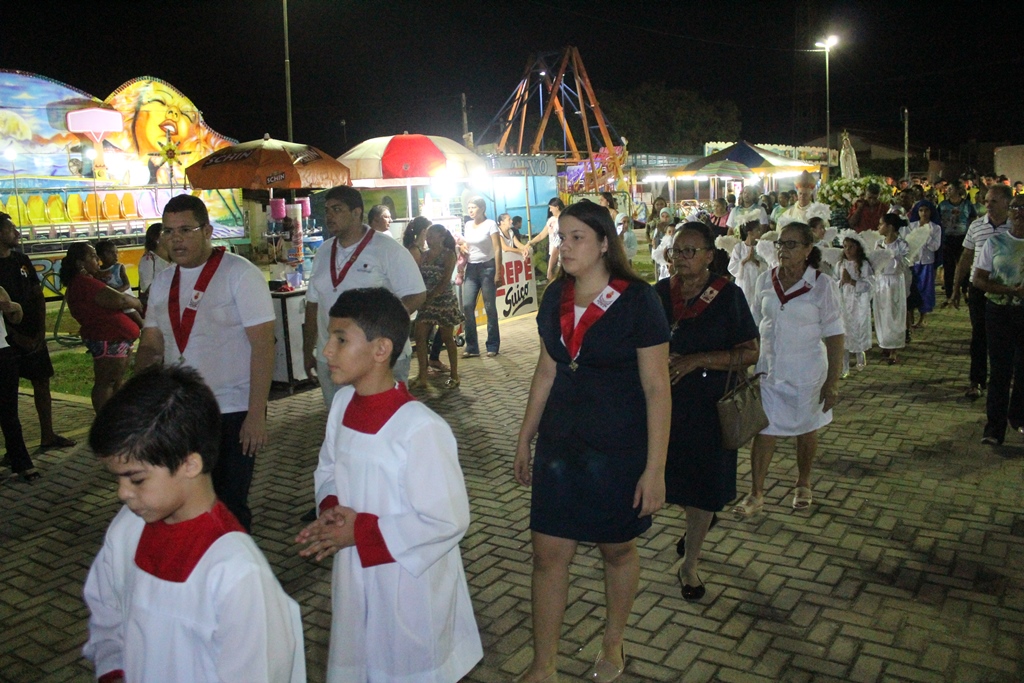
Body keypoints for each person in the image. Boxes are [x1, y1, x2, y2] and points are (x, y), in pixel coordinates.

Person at [513, 200, 670, 683]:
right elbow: (546, 371)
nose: (563, 246)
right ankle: (544, 665)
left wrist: (655, 469)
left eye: (576, 237)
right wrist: (525, 437)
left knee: (615, 549)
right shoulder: (554, 298)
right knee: (547, 554)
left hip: (617, 449)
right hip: (560, 447)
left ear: (604, 243)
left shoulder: (639, 300)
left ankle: (613, 640)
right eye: (561, 237)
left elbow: (657, 388)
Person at [297, 287, 482, 683]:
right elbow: (328, 468)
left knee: (403, 664)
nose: (326, 350)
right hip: (355, 569)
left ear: (381, 349)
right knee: (361, 654)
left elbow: (447, 519)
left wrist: (360, 532)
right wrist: (330, 509)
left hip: (408, 583)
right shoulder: (342, 406)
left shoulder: (420, 428)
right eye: (329, 337)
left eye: (340, 339)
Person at [83, 366, 305, 683]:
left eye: (136, 479)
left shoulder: (235, 572)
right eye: (117, 479)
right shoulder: (126, 530)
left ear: (190, 464)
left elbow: (259, 671)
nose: (123, 493)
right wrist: (113, 668)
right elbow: (107, 612)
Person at [135, 195, 276, 532]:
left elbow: (263, 346)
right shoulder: (163, 282)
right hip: (182, 411)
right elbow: (152, 345)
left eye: (186, 230)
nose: (176, 239)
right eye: (168, 232)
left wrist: (256, 414)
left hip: (232, 409)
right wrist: (140, 396)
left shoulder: (239, 274)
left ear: (208, 231)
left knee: (229, 503)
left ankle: (237, 561)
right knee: (188, 502)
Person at [655, 223, 758, 602]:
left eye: (690, 251)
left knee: (702, 486)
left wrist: (698, 359)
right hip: (664, 406)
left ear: (710, 256)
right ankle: (698, 519)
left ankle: (690, 563)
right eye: (676, 251)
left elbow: (750, 352)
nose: (681, 258)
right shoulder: (658, 294)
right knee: (670, 479)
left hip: (709, 408)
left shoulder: (728, 296)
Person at [733, 222, 844, 516]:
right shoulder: (765, 280)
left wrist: (832, 382)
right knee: (764, 429)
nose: (783, 250)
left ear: (808, 249)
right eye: (781, 244)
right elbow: (754, 326)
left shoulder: (822, 285)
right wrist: (745, 364)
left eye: (792, 244)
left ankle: (803, 482)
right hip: (769, 372)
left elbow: (835, 335)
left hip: (807, 374)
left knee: (806, 429)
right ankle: (756, 493)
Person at [302, 186, 425, 408]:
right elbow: (313, 304)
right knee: (340, 420)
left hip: (378, 358)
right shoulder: (323, 252)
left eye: (337, 209)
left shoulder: (387, 249)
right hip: (332, 357)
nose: (329, 216)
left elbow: (416, 294)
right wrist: (308, 349)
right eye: (327, 210)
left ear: (356, 212)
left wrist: (380, 326)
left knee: (385, 419)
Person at [0, 213, 75, 450]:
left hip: (33, 335)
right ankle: (14, 447)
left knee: (41, 381)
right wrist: (15, 336)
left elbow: (37, 294)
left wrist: (40, 332)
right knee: (8, 394)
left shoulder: (21, 260)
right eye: (11, 229)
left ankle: (48, 435)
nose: (17, 233)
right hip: (8, 341)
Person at [60, 243, 143, 411]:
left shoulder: (87, 281)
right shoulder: (84, 283)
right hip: (108, 339)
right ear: (80, 263)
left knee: (115, 382)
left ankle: (115, 416)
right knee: (106, 382)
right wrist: (137, 303)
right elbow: (120, 300)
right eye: (92, 256)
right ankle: (105, 419)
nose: (97, 259)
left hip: (115, 339)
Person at [972, 194, 1024, 445]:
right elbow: (978, 279)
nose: (1020, 213)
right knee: (1000, 370)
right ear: (1010, 212)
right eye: (1016, 208)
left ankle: (1019, 416)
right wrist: (1008, 290)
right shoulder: (996, 242)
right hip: (999, 312)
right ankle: (994, 428)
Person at [952, 185, 1012, 399]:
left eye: (993, 201)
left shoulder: (1015, 227)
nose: (988, 205)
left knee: (1005, 336)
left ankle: (1002, 378)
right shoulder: (977, 226)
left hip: (1006, 289)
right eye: (986, 201)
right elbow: (966, 257)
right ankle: (976, 380)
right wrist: (956, 288)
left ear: (1006, 203)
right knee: (979, 334)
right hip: (978, 288)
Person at [413, 225, 463, 390]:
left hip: (443, 301)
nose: (428, 239)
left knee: (447, 338)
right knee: (420, 336)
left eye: (432, 236)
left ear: (441, 237)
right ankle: (422, 375)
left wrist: (430, 297)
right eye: (427, 236)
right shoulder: (424, 255)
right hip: (426, 300)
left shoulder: (449, 255)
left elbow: (445, 280)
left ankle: (454, 375)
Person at [0, 284, 38, 481]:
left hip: (3, 353)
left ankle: (21, 463)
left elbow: (16, 317)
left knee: (9, 413)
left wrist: (14, 308)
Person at [459, 196, 502, 358]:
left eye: (474, 207)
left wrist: (498, 271)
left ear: (482, 209)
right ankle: (472, 346)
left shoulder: (491, 224)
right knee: (467, 305)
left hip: (488, 268)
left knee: (489, 306)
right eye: (469, 207)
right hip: (471, 268)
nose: (470, 210)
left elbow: (497, 249)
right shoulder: (468, 225)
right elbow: (467, 243)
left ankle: (492, 344)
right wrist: (462, 247)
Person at [873, 214, 910, 364]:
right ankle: (884, 343)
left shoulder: (901, 244)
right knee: (882, 313)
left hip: (894, 281)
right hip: (881, 281)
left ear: (890, 227)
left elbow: (904, 263)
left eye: (881, 224)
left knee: (894, 313)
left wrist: (890, 255)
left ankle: (894, 348)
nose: (878, 227)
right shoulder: (878, 243)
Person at [836, 233, 874, 374]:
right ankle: (844, 365)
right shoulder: (840, 264)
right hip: (844, 302)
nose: (847, 250)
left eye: (851, 247)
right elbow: (834, 281)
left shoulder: (863, 265)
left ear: (858, 248)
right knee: (844, 330)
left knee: (858, 328)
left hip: (858, 303)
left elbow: (869, 284)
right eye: (845, 247)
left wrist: (852, 282)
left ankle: (859, 355)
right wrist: (841, 282)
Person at [937, 183, 976, 305]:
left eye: (950, 189)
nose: (947, 191)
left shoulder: (967, 204)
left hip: (963, 238)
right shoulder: (943, 205)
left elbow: (972, 218)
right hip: (947, 239)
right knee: (949, 268)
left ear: (958, 190)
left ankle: (965, 290)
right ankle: (949, 294)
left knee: (964, 266)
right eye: (947, 189)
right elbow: (937, 220)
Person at [906, 204, 943, 327]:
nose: (924, 213)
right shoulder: (912, 226)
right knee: (911, 289)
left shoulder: (935, 228)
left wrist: (926, 236)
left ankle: (923, 317)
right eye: (921, 210)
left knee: (925, 289)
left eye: (926, 210)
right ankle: (910, 315)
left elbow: (935, 246)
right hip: (913, 262)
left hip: (927, 262)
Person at [95, 239, 144, 328]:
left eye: (116, 253)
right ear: (101, 256)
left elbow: (126, 285)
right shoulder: (97, 272)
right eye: (111, 253)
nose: (115, 255)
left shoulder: (119, 267)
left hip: (126, 299)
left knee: (137, 319)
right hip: (114, 302)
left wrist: (115, 293)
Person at [727, 220, 766, 316]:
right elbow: (732, 266)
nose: (760, 233)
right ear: (750, 233)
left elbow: (768, 266)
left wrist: (755, 261)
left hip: (757, 281)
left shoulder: (762, 247)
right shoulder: (739, 247)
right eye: (757, 230)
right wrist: (745, 260)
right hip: (743, 282)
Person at [527, 197, 565, 282]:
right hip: (551, 253)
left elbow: (557, 246)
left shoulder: (564, 220)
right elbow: (541, 235)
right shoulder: (551, 220)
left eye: (551, 207)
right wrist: (530, 242)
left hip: (561, 255)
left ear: (557, 207)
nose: (550, 210)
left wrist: (549, 268)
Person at [137, 222, 171, 309]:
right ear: (157, 238)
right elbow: (146, 286)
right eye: (166, 233)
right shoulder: (148, 260)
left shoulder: (175, 256)